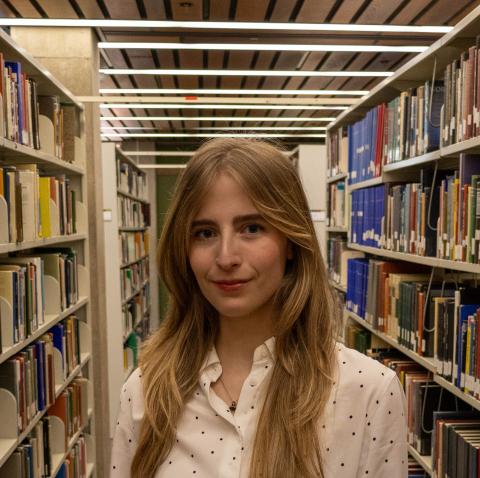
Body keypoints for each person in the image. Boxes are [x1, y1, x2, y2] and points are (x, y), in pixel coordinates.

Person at [110, 138, 408, 478]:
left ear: (291, 242)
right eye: (205, 233)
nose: (226, 258)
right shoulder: (146, 390)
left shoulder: (368, 391)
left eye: (252, 228)